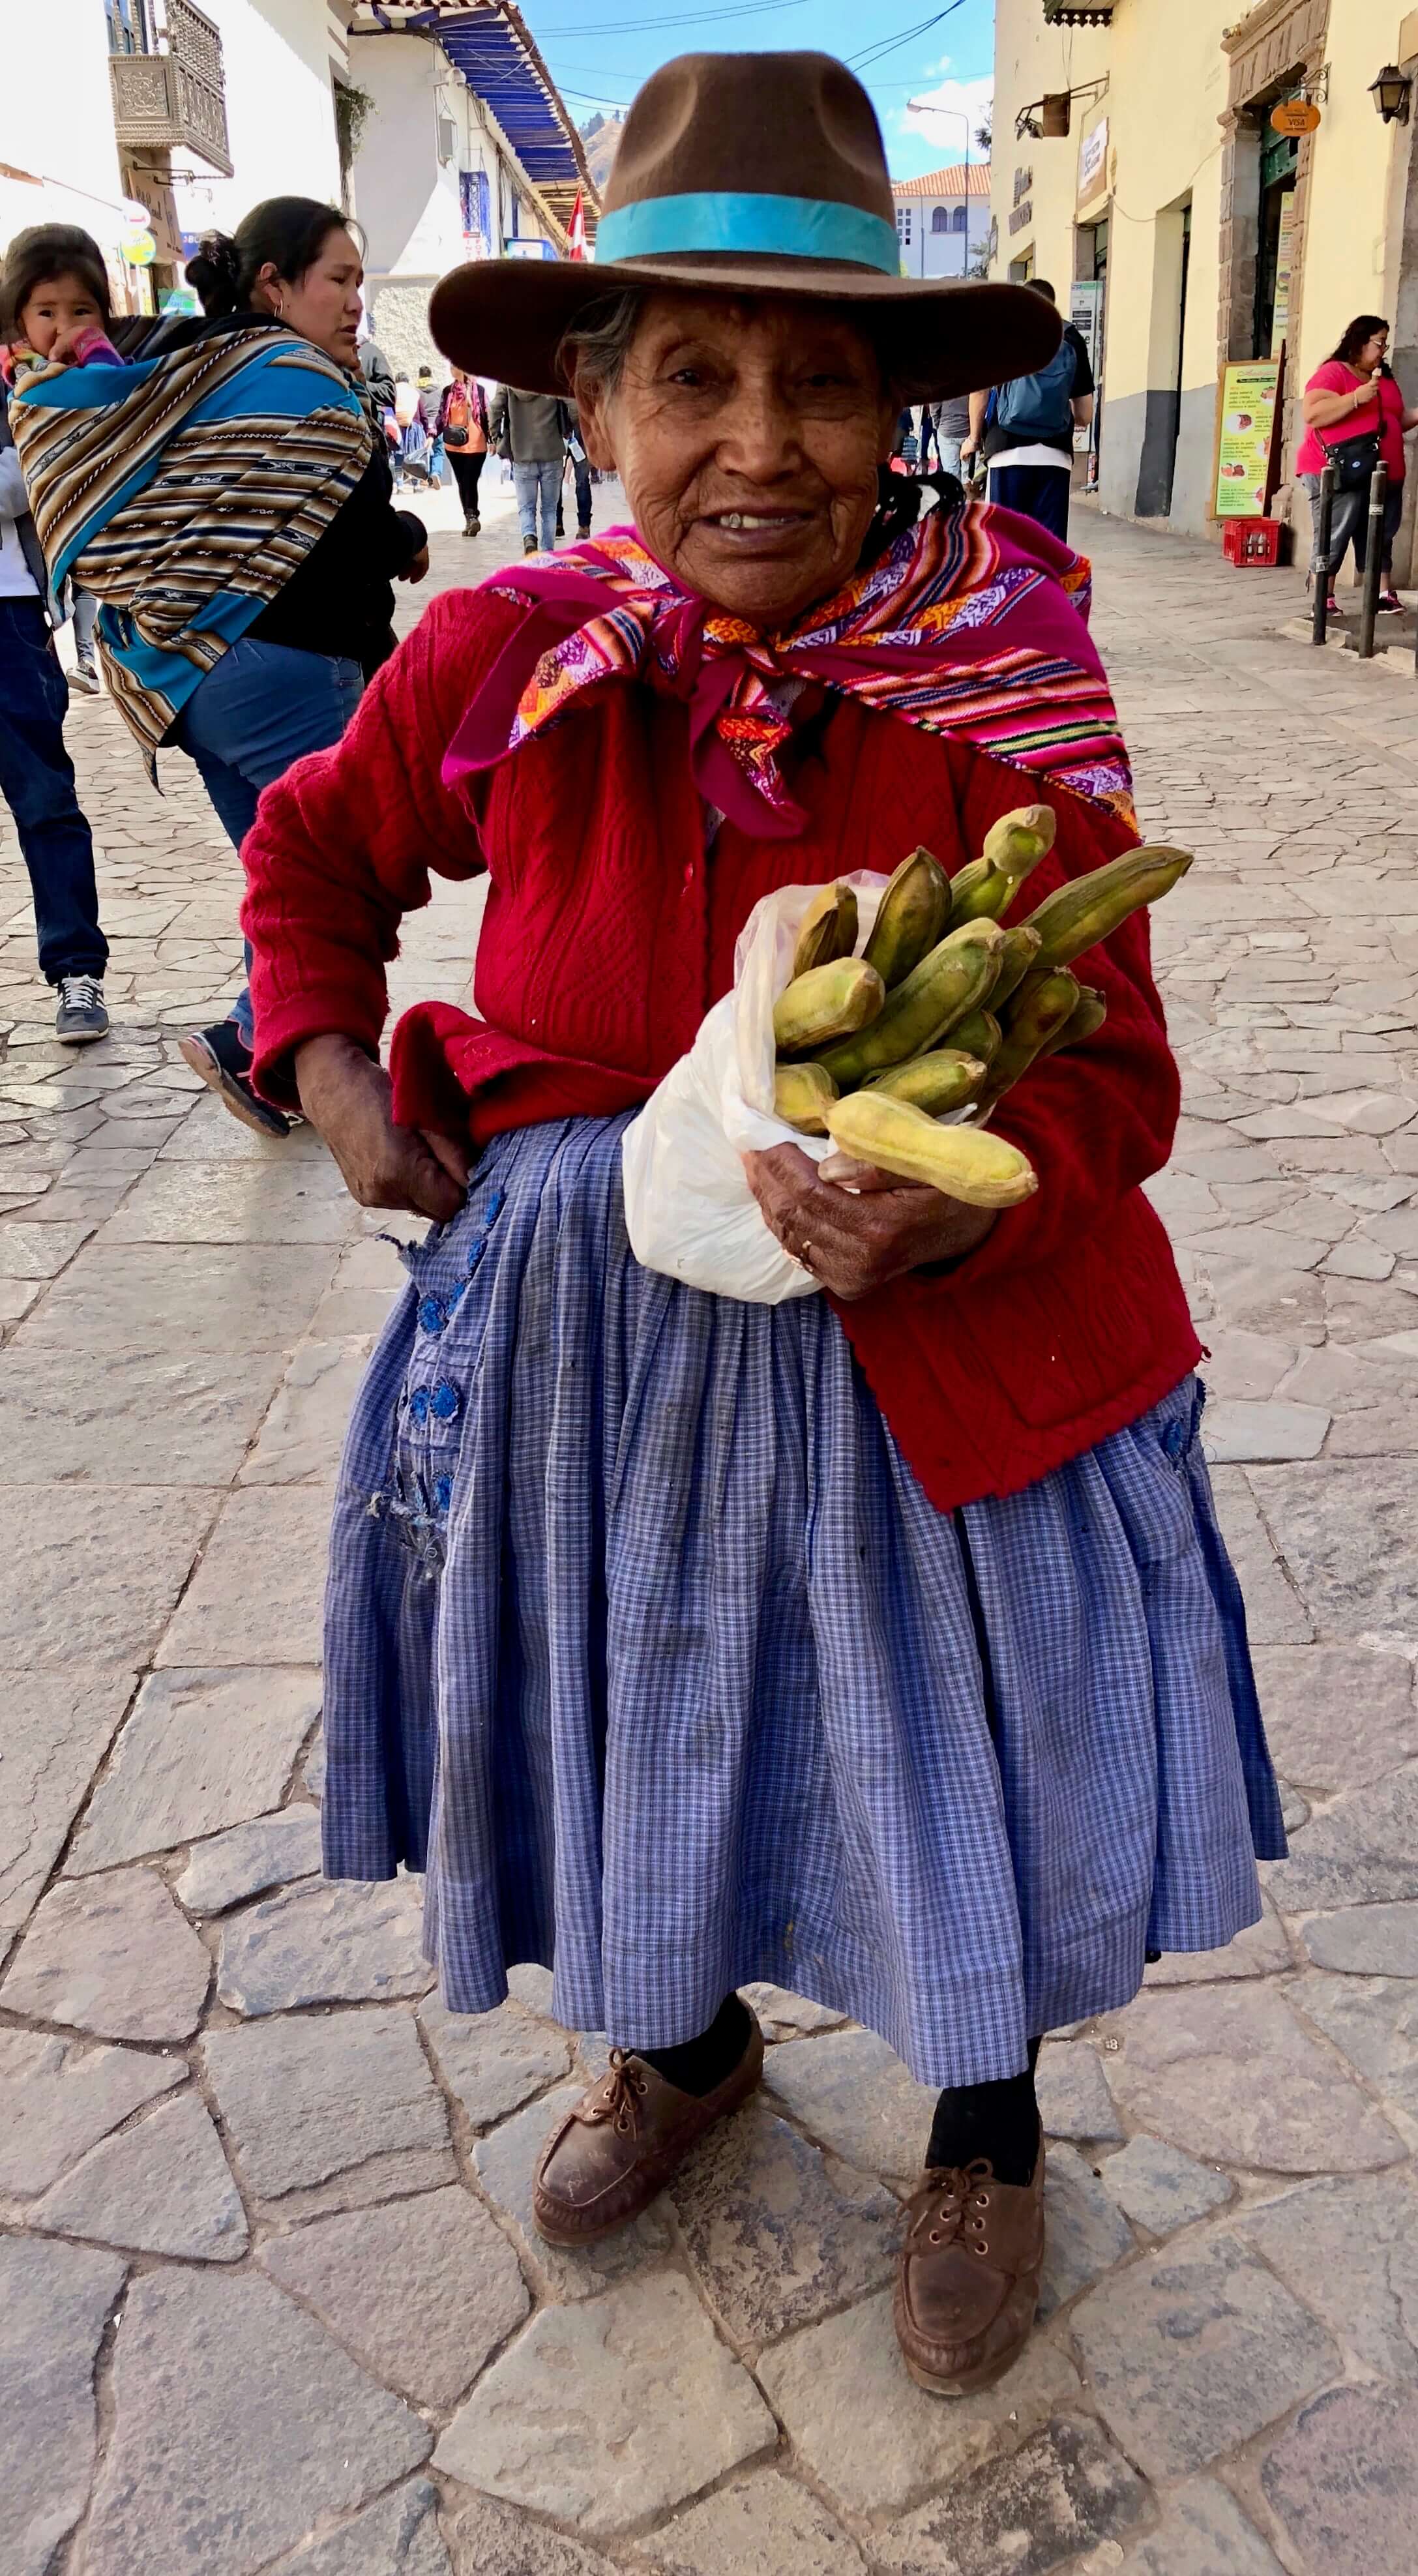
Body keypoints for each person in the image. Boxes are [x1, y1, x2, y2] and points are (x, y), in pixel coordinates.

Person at [242, 50, 1282, 2406]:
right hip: (591, 1329)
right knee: (629, 1708)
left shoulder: (1001, 676)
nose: (757, 443)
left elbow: (1109, 1071)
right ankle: (687, 2041)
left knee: (963, 1742)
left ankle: (984, 2133)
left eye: (815, 384)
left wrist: (939, 1220)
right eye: (688, 376)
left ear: (894, 411)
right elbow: (312, 852)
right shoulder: (511, 651)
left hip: (929, 1334)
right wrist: (322, 1067)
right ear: (592, 401)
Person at [10, 198, 428, 1136]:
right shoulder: (292, 376)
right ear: (274, 283)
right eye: (339, 279)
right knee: (341, 873)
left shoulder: (190, 361)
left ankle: (260, 1052)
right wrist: (401, 532)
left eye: (361, 281)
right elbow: (352, 531)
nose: (356, 300)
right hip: (281, 664)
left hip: (182, 676)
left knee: (278, 873)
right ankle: (286, 1056)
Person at [0, 224, 111, 1042]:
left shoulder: (53, 385)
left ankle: (76, 971)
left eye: (75, 308)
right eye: (44, 309)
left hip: (9, 614)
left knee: (45, 801)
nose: (59, 324)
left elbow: (35, 477)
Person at [1297, 314, 1418, 616]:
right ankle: (1323, 599)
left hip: (1383, 472)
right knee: (1335, 530)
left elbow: (1395, 420)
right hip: (1341, 471)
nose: (1383, 350)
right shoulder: (1334, 372)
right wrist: (1355, 398)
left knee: (1380, 534)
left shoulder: (1384, 379)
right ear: (1359, 342)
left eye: (1386, 343)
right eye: (1379, 342)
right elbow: (1313, 413)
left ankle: (1382, 595)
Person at [964, 279, 1094, 541]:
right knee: (1049, 547)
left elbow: (980, 391)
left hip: (1007, 451)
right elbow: (1085, 414)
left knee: (1006, 544)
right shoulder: (1070, 336)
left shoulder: (1002, 334)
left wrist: (974, 439)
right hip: (1055, 457)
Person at [488, 382, 565, 553]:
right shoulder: (551, 371)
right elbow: (572, 405)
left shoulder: (508, 378)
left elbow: (494, 408)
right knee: (549, 509)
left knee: (526, 507)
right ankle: (547, 553)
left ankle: (529, 537)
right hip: (552, 451)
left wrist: (496, 438)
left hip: (522, 453)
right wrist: (570, 427)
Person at [438, 366, 490, 535]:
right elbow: (441, 415)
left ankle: (472, 515)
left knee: (470, 480)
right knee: (462, 482)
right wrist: (432, 434)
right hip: (453, 445)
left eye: (454, 366)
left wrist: (493, 440)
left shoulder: (479, 391)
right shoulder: (448, 391)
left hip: (476, 444)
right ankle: (470, 518)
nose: (451, 369)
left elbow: (487, 416)